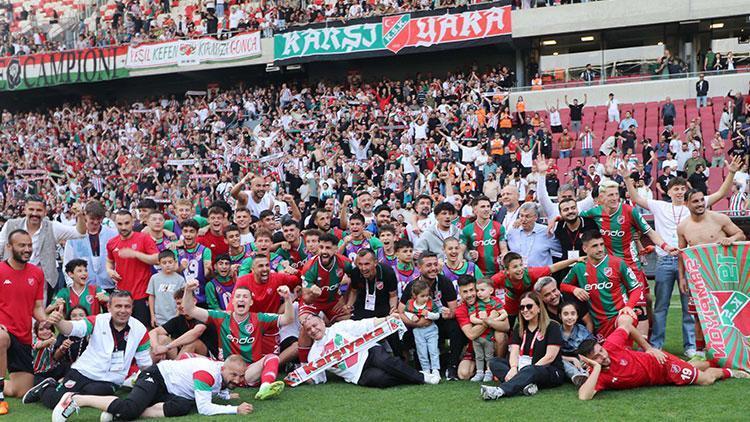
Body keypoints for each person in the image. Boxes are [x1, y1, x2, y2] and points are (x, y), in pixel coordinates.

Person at [623, 156, 739, 354]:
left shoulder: (694, 204)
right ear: (668, 192)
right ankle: (656, 344)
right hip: (665, 260)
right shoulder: (660, 206)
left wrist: (732, 173)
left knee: (689, 306)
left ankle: (691, 346)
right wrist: (627, 179)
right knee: (661, 306)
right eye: (675, 189)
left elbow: (720, 193)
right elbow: (636, 199)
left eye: (682, 188)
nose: (679, 191)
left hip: (689, 261)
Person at [25, 291, 153, 412]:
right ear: (109, 307)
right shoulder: (98, 320)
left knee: (95, 393)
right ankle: (45, 387)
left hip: (110, 380)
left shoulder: (140, 330)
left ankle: (72, 393)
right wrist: (60, 322)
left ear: (132, 308)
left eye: (127, 306)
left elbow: (145, 363)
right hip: (83, 371)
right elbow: (72, 328)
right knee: (56, 401)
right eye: (118, 306)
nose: (123, 310)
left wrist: (149, 384)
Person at [577, 315, 748, 400]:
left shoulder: (611, 346)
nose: (603, 355)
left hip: (663, 365)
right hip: (658, 378)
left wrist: (649, 348)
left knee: (705, 380)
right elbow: (584, 396)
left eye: (601, 350)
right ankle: (715, 360)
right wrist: (597, 367)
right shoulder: (596, 375)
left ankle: (730, 371)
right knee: (691, 367)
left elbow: (625, 323)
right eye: (597, 357)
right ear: (589, 361)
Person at [183, 277, 291, 400]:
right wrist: (188, 290)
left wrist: (287, 298)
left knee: (272, 358)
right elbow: (190, 310)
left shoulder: (260, 318)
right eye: (238, 296)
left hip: (248, 372)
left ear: (251, 302)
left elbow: (287, 319)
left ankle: (265, 388)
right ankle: (182, 386)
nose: (241, 299)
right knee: (187, 356)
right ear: (233, 301)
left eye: (245, 297)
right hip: (225, 371)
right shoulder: (221, 317)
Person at [51, 355, 252, 421]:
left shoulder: (220, 371)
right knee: (129, 409)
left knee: (183, 406)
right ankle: (75, 399)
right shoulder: (206, 373)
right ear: (223, 368)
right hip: (156, 376)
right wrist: (235, 409)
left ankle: (115, 413)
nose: (237, 379)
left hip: (170, 388)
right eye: (234, 375)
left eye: (240, 376)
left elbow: (219, 385)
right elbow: (205, 408)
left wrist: (225, 395)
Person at [677, 189, 746, 355]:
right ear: (686, 204)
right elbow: (681, 253)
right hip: (698, 277)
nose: (700, 204)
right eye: (695, 201)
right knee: (699, 315)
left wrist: (731, 239)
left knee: (729, 314)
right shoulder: (683, 227)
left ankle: (735, 349)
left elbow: (741, 234)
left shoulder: (719, 218)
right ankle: (700, 352)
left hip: (723, 276)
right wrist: (682, 277)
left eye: (702, 200)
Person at [303, 314, 440, 387]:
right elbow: (318, 378)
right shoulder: (313, 355)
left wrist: (386, 319)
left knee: (385, 361)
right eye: (308, 329)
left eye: (315, 325)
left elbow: (364, 325)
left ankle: (423, 378)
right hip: (357, 373)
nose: (313, 330)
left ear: (322, 322)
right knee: (381, 379)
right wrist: (303, 377)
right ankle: (413, 376)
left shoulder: (338, 327)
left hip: (368, 352)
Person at [481, 292, 565, 400]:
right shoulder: (519, 327)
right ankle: (526, 385)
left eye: (529, 306)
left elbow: (550, 357)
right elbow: (514, 351)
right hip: (523, 367)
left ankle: (500, 391)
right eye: (522, 307)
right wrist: (513, 368)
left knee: (531, 370)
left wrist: (529, 370)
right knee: (494, 362)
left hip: (548, 370)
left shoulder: (552, 326)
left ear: (539, 308)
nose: (525, 310)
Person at [560, 230, 643, 341]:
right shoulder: (579, 267)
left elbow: (636, 288)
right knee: (607, 351)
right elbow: (563, 285)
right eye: (595, 246)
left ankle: (647, 347)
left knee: (617, 347)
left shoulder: (618, 263)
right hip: (599, 323)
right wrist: (574, 289)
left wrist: (629, 306)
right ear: (585, 249)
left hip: (620, 316)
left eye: (601, 244)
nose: (600, 249)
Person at [0, 196, 86, 300]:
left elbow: (80, 233)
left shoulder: (52, 227)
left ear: (45, 212)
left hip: (40, 283)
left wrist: (80, 215)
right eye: (31, 209)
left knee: (38, 309)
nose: (34, 213)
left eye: (39, 210)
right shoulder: (10, 225)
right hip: (11, 279)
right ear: (25, 210)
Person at [0, 229, 47, 411]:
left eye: (29, 245)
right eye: (22, 245)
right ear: (9, 247)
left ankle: (5, 386)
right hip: (4, 331)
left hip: (23, 336)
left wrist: (46, 321)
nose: (27, 249)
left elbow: (37, 307)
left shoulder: (37, 273)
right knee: (1, 338)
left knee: (22, 391)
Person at [399, 252, 463, 381]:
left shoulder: (445, 282)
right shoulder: (412, 286)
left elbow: (454, 310)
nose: (433, 268)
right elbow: (401, 312)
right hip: (418, 323)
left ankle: (452, 366)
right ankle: (407, 364)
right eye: (429, 265)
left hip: (439, 320)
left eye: (435, 264)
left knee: (456, 327)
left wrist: (448, 314)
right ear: (419, 267)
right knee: (403, 332)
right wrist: (417, 323)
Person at [492, 252, 583, 329]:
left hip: (530, 298)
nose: (520, 269)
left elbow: (553, 268)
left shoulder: (531, 273)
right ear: (506, 270)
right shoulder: (499, 278)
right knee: (510, 323)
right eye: (515, 267)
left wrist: (575, 259)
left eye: (521, 265)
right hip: (512, 300)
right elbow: (486, 285)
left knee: (531, 318)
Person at [106, 210, 159, 326]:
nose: (123, 227)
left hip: (142, 294)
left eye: (127, 223)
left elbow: (156, 259)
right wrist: (110, 270)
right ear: (115, 223)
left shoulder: (144, 238)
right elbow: (109, 261)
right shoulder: (112, 243)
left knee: (143, 329)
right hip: (122, 295)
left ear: (133, 222)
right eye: (120, 224)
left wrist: (135, 254)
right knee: (122, 329)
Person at [149, 288, 218, 361]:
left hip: (208, 357)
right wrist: (156, 347)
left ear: (194, 301)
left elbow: (195, 333)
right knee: (161, 338)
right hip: (182, 354)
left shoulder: (203, 315)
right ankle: (147, 366)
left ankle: (174, 367)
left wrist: (167, 347)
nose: (181, 306)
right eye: (178, 303)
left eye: (184, 302)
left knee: (192, 343)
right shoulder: (178, 319)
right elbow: (153, 332)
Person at [63, 201, 118, 291]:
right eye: (92, 218)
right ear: (85, 216)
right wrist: (72, 285)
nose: (96, 222)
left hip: (109, 286)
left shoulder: (113, 235)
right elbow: (67, 262)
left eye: (99, 219)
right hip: (84, 288)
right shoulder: (74, 236)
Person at [468, 278, 505, 383]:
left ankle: (489, 372)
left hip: (489, 337)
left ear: (491, 291)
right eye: (477, 290)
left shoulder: (495, 302)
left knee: (489, 356)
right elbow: (472, 318)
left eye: (482, 290)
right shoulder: (476, 304)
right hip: (477, 336)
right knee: (479, 355)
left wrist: (493, 321)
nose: (479, 293)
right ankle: (479, 372)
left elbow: (504, 314)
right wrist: (484, 321)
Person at [460, 196, 508, 278]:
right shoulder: (467, 230)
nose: (486, 209)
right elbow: (460, 252)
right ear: (475, 210)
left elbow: (504, 249)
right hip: (476, 274)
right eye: (483, 207)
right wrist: (469, 255)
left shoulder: (499, 227)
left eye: (488, 206)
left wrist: (503, 259)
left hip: (497, 274)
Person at [403, 279, 441, 379]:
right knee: (422, 351)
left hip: (431, 330)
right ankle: (426, 370)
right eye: (422, 296)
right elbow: (405, 312)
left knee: (433, 350)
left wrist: (429, 314)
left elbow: (437, 315)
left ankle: (435, 370)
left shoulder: (431, 303)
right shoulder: (410, 303)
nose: (425, 298)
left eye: (427, 295)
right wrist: (412, 316)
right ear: (415, 295)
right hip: (418, 331)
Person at [347, 249, 398, 321]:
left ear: (375, 262)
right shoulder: (355, 272)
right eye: (360, 264)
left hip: (382, 310)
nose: (363, 268)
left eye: (367, 264)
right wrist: (348, 306)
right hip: (361, 309)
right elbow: (353, 291)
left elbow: (393, 295)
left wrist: (392, 310)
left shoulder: (388, 273)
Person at [506, 202, 562, 267]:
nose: (523, 220)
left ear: (535, 217)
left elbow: (562, 249)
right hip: (519, 272)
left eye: (527, 216)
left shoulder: (546, 231)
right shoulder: (513, 231)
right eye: (521, 216)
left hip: (541, 272)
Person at [176, 219, 213, 306]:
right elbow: (173, 274)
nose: (188, 234)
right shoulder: (176, 249)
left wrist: (210, 270)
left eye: (192, 231)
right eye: (185, 231)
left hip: (200, 298)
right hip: (181, 298)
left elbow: (207, 275)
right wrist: (181, 268)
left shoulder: (205, 250)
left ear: (197, 233)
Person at [559, 302, 595, 387]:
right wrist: (572, 359)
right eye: (565, 314)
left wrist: (585, 360)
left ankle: (585, 375)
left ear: (577, 316)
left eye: (573, 314)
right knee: (561, 362)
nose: (569, 317)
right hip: (564, 361)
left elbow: (591, 346)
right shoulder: (556, 331)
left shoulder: (582, 330)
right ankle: (578, 377)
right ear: (560, 316)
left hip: (582, 360)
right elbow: (553, 354)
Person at [147, 250, 186, 328]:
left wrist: (177, 316)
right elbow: (151, 297)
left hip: (175, 317)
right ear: (159, 263)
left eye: (170, 262)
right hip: (159, 319)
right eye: (164, 263)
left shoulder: (180, 279)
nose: (167, 265)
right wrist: (152, 316)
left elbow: (183, 299)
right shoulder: (154, 278)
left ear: (175, 262)